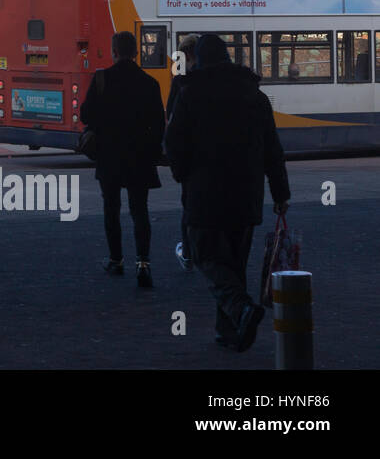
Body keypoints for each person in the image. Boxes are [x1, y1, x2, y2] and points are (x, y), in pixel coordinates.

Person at [165, 34, 291, 353]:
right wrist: (280, 192)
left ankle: (242, 311)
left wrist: (184, 175)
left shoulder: (190, 95)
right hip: (246, 195)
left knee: (206, 255)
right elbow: (272, 151)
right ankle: (230, 331)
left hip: (204, 194)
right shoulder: (255, 96)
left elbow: (174, 143)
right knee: (234, 264)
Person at [79, 30, 166, 288]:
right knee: (140, 211)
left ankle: (116, 260)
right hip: (139, 157)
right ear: (136, 52)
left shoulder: (102, 79)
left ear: (113, 52)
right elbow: (158, 125)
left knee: (111, 209)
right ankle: (143, 263)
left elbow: (85, 115)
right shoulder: (150, 83)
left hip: (110, 156)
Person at [165, 34, 199, 272]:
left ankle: (188, 253)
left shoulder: (181, 81)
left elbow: (171, 117)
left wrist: (176, 166)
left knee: (189, 206)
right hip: (215, 158)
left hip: (191, 156)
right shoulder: (216, 79)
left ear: (186, 55)